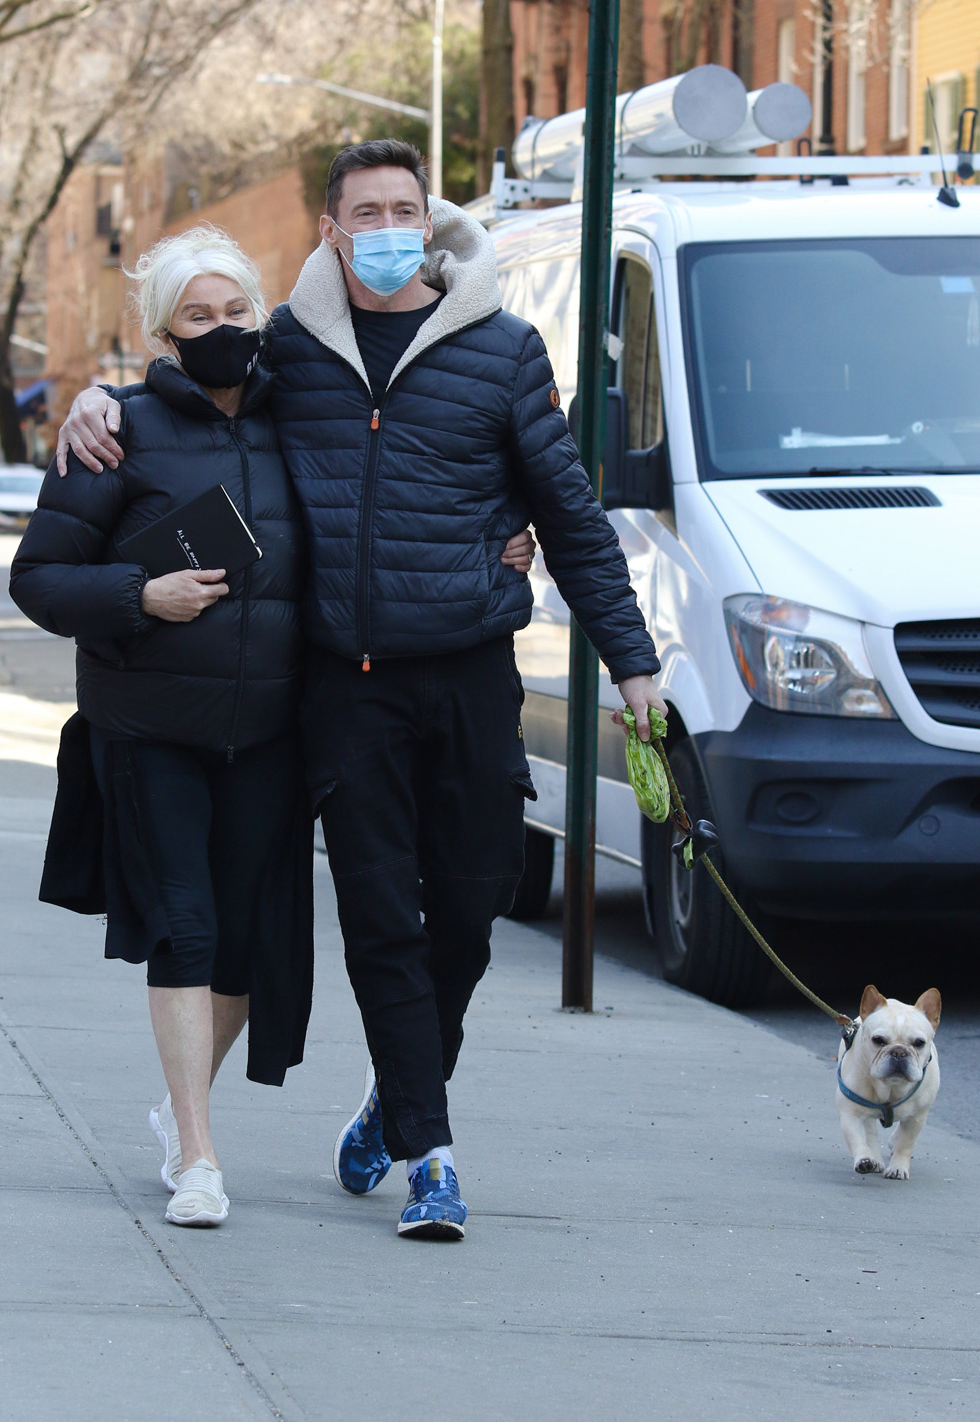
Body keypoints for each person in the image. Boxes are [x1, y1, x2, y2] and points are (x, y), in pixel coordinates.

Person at [57, 140, 666, 1243]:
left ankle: (399, 1093)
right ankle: (433, 1159)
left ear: (428, 220)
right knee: (383, 917)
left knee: (474, 911)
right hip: (347, 689)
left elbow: (569, 517)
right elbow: (195, 392)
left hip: (471, 672)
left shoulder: (504, 351)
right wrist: (93, 404)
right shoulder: (289, 348)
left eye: (405, 207)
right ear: (332, 232)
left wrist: (632, 661)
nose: (387, 226)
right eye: (364, 212)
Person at [12, 226, 315, 1228]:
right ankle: (198, 1155)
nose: (223, 330)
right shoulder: (116, 431)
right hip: (149, 730)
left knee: (239, 948)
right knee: (184, 929)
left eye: (236, 311)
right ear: (164, 331)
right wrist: (143, 594)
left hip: (270, 733)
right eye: (199, 316)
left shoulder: (301, 417)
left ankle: (179, 1107)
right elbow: (40, 580)